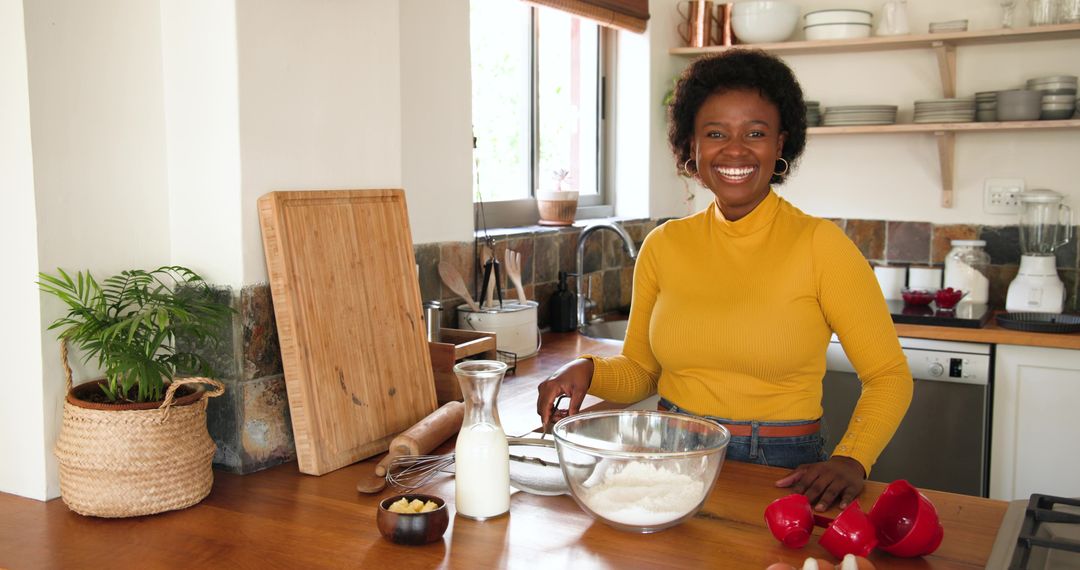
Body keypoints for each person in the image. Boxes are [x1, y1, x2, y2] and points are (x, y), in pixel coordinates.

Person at [536, 50, 913, 513]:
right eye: (716, 134)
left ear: (781, 144)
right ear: (691, 147)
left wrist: (852, 457)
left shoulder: (821, 245)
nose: (735, 150)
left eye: (755, 133)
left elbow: (888, 376)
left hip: (780, 468)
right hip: (670, 459)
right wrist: (588, 371)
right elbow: (641, 372)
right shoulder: (664, 245)